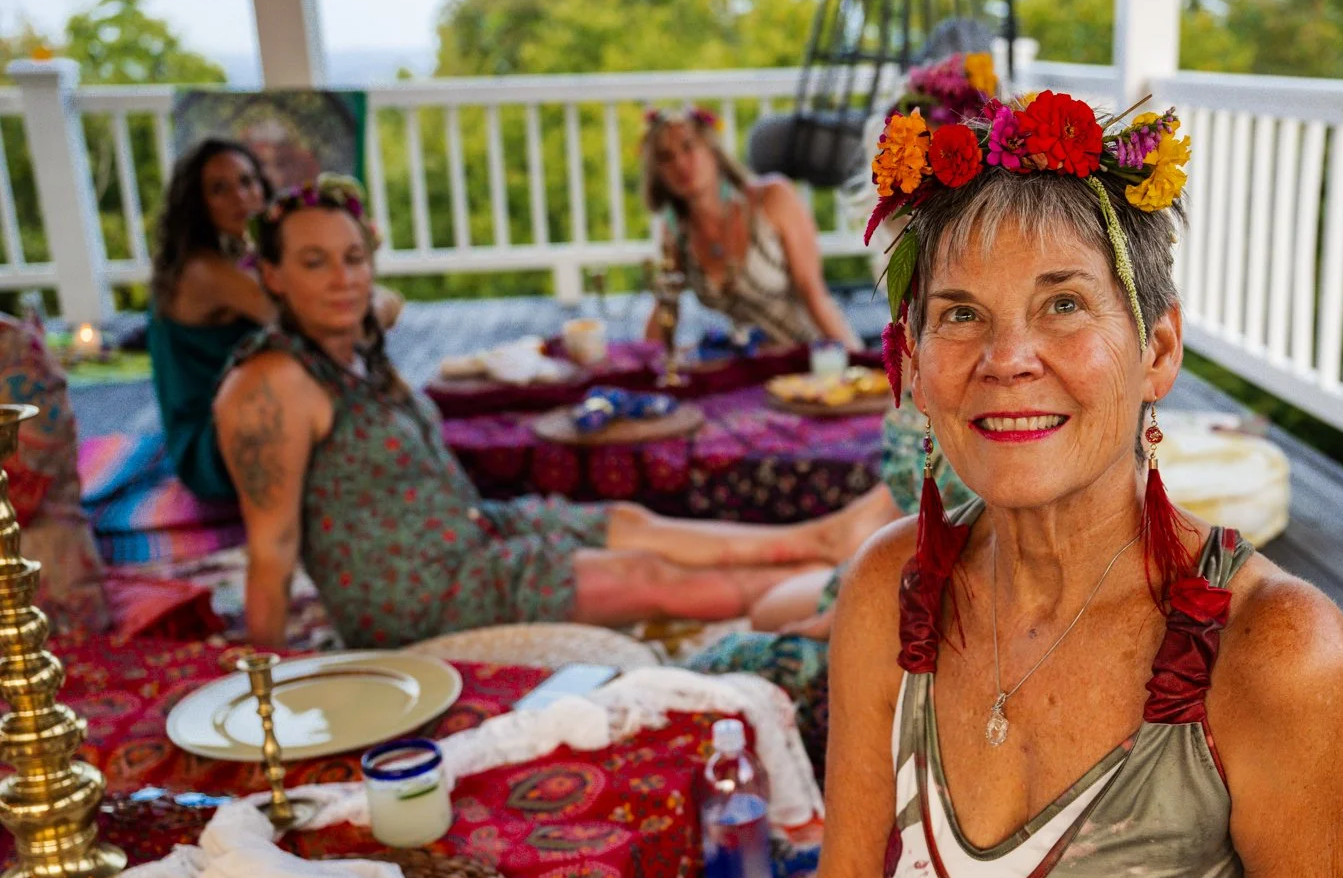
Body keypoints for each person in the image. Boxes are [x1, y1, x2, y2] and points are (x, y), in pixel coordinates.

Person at [614, 96, 1343, 878]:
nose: (1006, 357)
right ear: (914, 363)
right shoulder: (889, 588)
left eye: (1064, 304)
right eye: (961, 314)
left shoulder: (1276, 655)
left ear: (1156, 350)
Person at [211, 176, 882, 651]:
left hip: (472, 529)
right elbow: (270, 554)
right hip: (417, 595)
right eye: (314, 263)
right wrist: (267, 701)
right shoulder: (270, 386)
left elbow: (376, 301)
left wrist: (344, 276)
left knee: (629, 521)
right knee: (645, 577)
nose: (344, 280)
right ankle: (829, 584)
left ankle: (820, 538)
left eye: (355, 258)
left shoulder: (347, 345)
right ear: (268, 275)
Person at [148, 139, 400, 502]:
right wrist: (374, 299)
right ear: (197, 204)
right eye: (220, 189)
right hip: (215, 444)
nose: (240, 197)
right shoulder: (202, 271)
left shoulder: (234, 259)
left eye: (247, 182)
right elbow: (312, 325)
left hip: (251, 413)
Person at [642, 106, 861, 349]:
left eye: (688, 147)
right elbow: (664, 310)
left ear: (712, 150)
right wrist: (639, 365)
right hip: (750, 364)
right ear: (657, 172)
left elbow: (815, 297)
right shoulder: (676, 230)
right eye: (665, 157)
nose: (680, 163)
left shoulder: (773, 198)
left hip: (808, 356)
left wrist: (859, 361)